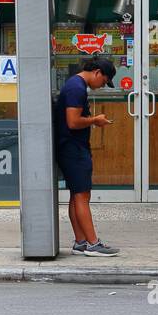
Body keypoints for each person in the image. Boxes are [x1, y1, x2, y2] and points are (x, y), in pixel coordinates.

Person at [54, 57, 119, 257]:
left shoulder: (74, 85)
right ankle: (93, 244)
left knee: (76, 194)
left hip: (70, 147)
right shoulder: (77, 88)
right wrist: (95, 120)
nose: (102, 86)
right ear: (97, 72)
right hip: (73, 148)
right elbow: (73, 122)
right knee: (82, 195)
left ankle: (81, 241)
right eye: (104, 81)